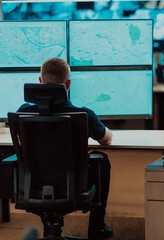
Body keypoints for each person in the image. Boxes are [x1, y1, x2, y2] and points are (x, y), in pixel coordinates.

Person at [17, 58, 113, 239]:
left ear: (40, 81)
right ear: (68, 84)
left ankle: (48, 227)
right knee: (102, 160)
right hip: (75, 185)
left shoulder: (23, 113)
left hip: (34, 185)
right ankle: (97, 227)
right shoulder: (84, 114)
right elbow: (106, 140)